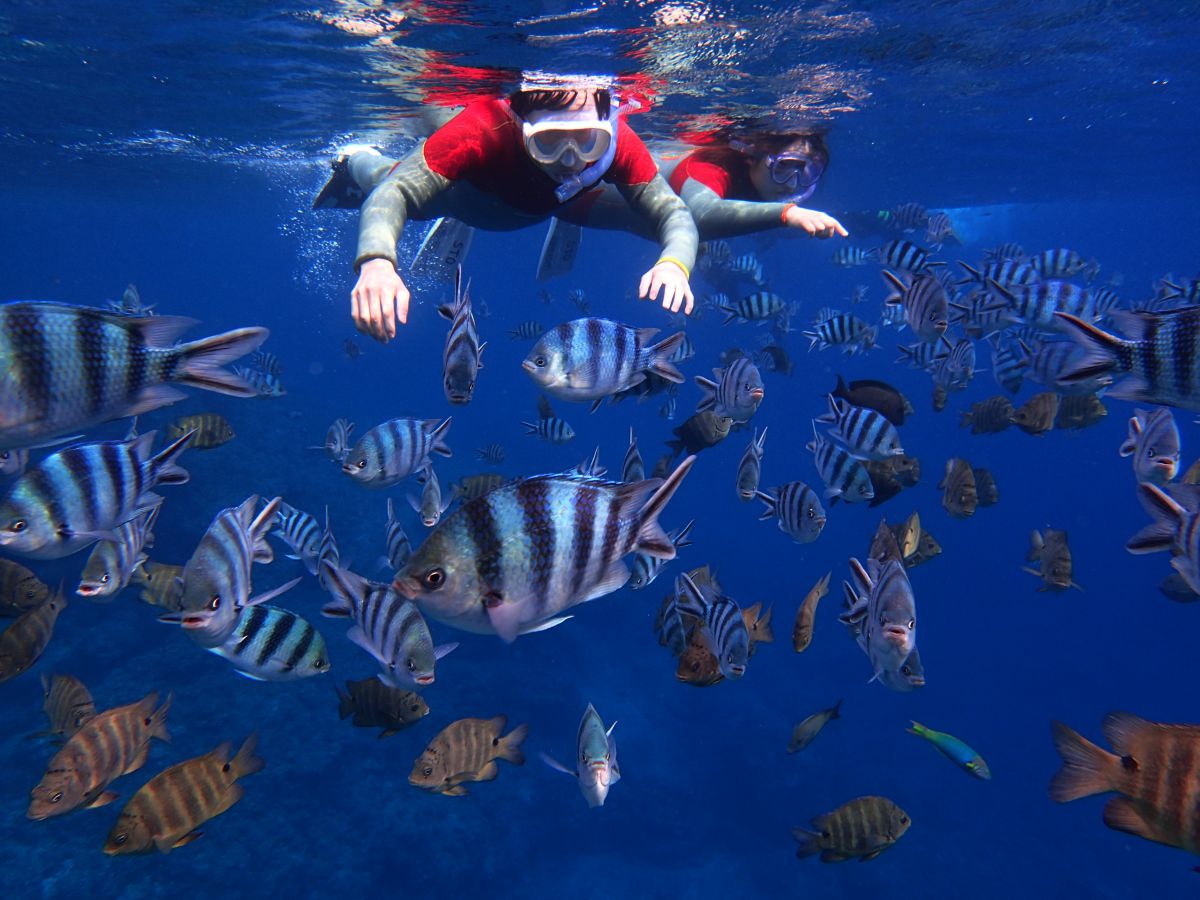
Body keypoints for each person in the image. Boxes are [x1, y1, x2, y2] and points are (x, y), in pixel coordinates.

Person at [326, 78, 698, 342]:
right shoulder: (483, 128)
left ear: (607, 126)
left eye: (588, 140)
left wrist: (674, 263)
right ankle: (354, 159)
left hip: (533, 205)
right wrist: (377, 261)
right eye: (549, 142)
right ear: (520, 125)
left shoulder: (620, 145)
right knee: (383, 178)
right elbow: (395, 192)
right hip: (463, 196)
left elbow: (674, 214)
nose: (571, 160)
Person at [663, 130, 847, 240]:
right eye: (782, 166)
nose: (792, 185)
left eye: (806, 169)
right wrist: (788, 213)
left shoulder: (758, 182)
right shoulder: (708, 168)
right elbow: (702, 213)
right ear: (752, 156)